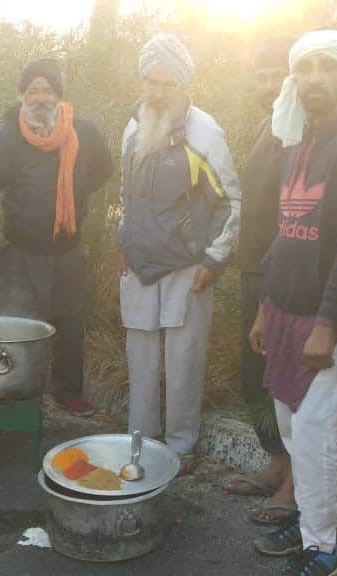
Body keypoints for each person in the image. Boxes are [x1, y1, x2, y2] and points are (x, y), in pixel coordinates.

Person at [247, 30, 337, 574]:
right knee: (289, 428)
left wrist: (330, 322)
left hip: (324, 317)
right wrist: (265, 304)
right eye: (304, 69)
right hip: (284, 308)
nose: (313, 80)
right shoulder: (297, 133)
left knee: (314, 438)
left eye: (326, 67)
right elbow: (284, 231)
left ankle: (322, 547)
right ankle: (307, 517)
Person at [119, 33, 241, 473]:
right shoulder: (133, 128)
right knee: (142, 363)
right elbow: (125, 195)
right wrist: (122, 241)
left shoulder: (205, 132)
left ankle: (180, 449)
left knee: (184, 364)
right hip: (139, 267)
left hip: (187, 270)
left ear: (184, 85)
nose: (155, 91)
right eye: (149, 81)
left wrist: (213, 260)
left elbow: (230, 203)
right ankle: (143, 446)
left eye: (165, 83)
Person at [0, 58, 114, 417]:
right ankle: (11, 394)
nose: (41, 97)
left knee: (70, 323)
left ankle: (68, 392)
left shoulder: (84, 131)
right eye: (33, 90)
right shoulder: (7, 136)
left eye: (48, 90)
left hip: (67, 250)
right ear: (22, 95)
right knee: (13, 326)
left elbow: (104, 169)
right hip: (20, 254)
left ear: (59, 95)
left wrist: (74, 196)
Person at [223, 35, 297, 519]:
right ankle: (276, 462)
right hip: (254, 272)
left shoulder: (304, 136)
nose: (269, 87)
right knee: (254, 377)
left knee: (290, 386)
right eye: (262, 78)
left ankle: (295, 487)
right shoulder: (267, 130)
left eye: (278, 77)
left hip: (288, 279)